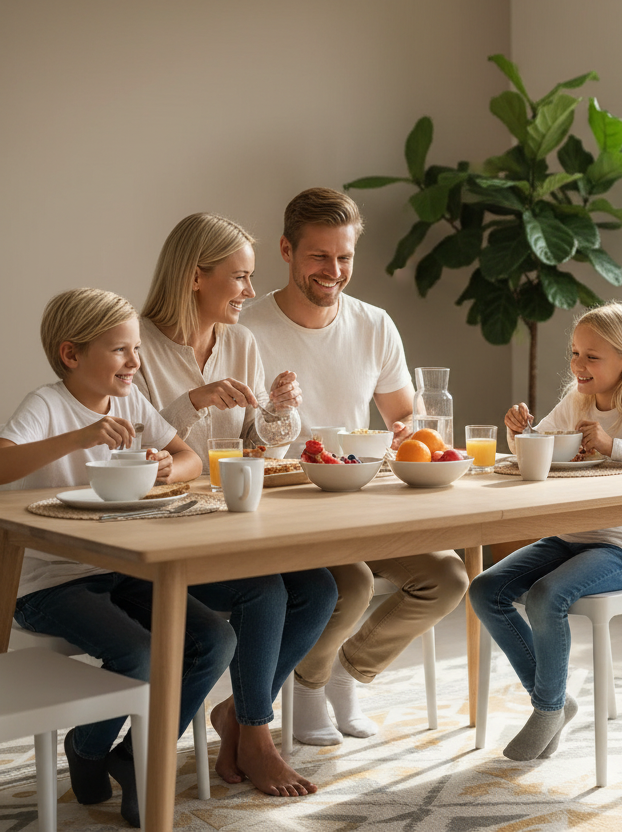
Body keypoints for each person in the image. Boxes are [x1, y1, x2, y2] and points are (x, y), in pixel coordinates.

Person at [240, 187, 469, 746]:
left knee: (447, 577)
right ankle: (307, 685)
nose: (334, 270)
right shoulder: (246, 326)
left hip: (361, 500)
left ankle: (344, 672)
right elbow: (237, 441)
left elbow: (404, 418)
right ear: (287, 250)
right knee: (354, 583)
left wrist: (407, 431)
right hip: (285, 508)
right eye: (319, 256)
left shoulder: (373, 324)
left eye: (344, 257)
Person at [0, 289, 230, 827]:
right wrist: (79, 436)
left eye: (135, 349)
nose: (135, 361)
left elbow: (189, 455)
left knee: (215, 640)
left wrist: (170, 466)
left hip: (121, 565)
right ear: (71, 354)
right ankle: (87, 747)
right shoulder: (46, 404)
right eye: (121, 350)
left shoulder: (131, 402)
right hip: (47, 581)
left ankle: (128, 756)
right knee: (142, 654)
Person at [134, 213, 339, 795]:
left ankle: (238, 717)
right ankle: (256, 734)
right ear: (196, 277)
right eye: (240, 277)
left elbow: (259, 442)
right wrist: (189, 401)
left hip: (233, 514)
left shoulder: (241, 342)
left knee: (322, 588)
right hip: (165, 526)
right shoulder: (137, 342)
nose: (252, 291)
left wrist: (278, 410)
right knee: (268, 590)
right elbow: (128, 442)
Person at [468, 301, 622, 761]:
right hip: (570, 538)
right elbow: (541, 445)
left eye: (591, 357)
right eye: (574, 353)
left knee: (545, 595)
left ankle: (546, 706)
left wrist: (615, 445)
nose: (578, 365)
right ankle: (556, 702)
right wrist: (521, 432)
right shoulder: (577, 400)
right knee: (486, 588)